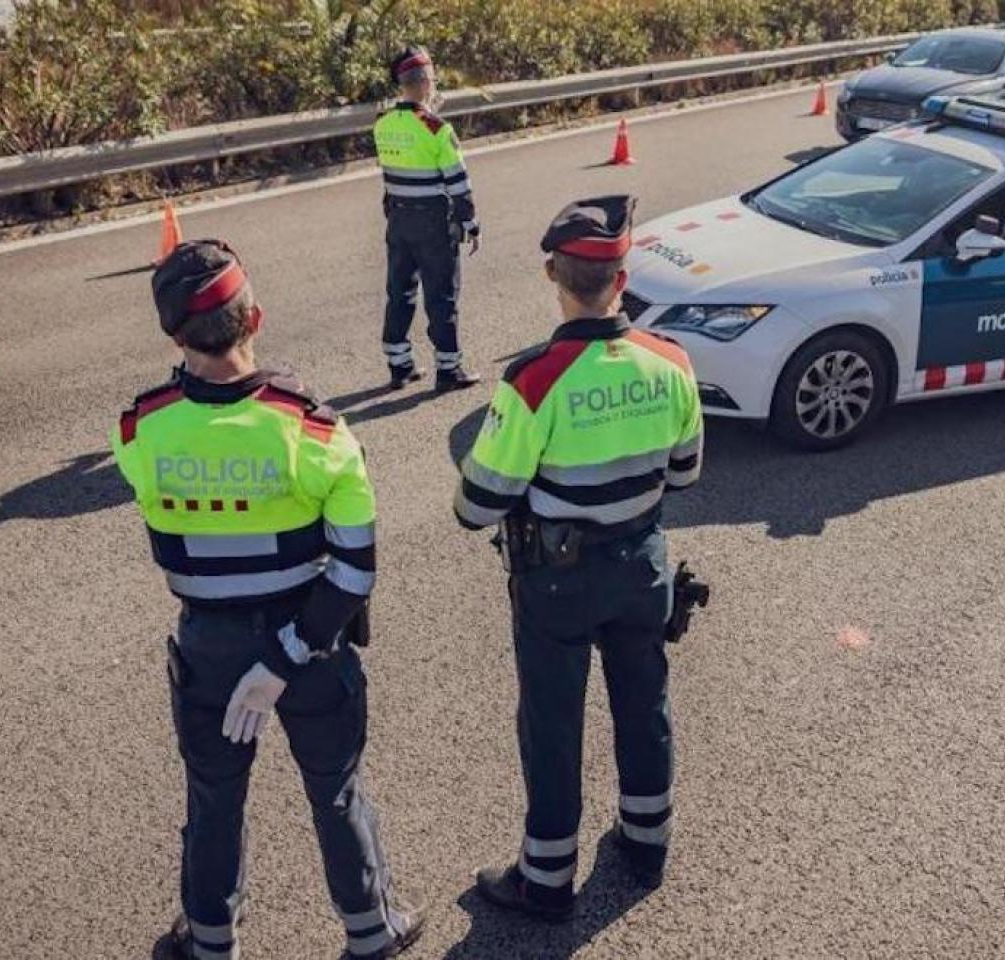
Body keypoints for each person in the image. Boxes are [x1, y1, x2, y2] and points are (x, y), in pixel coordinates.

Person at [112, 240, 425, 960]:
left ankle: (211, 941)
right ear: (255, 318)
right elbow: (355, 571)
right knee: (335, 788)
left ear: (174, 336)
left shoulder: (138, 430)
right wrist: (285, 656)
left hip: (207, 648)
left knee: (213, 798)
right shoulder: (314, 430)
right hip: (311, 642)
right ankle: (371, 930)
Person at [453, 195, 704, 920]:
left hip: (557, 582)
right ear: (622, 279)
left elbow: (477, 505)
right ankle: (647, 843)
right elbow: (685, 472)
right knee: (644, 703)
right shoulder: (672, 362)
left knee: (553, 726)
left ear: (553, 276)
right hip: (642, 565)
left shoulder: (535, 378)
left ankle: (546, 881)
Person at [372, 44, 481, 392]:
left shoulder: (382, 124)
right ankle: (448, 369)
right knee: (442, 295)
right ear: (424, 82)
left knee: (399, 292)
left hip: (398, 219)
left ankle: (399, 365)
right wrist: (470, 223)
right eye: (433, 80)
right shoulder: (437, 128)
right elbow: (458, 182)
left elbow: (394, 169)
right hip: (433, 222)